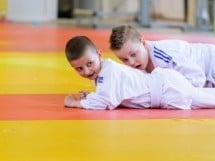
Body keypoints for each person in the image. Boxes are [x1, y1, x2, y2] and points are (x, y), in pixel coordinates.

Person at [64, 35, 215, 110]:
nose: (87, 71)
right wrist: (92, 96)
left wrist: (75, 103)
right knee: (202, 96)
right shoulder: (107, 70)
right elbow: (113, 94)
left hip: (169, 91)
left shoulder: (107, 74)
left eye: (89, 64)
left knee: (203, 98)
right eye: (79, 69)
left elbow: (104, 102)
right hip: (166, 83)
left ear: (99, 54)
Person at [109, 25, 215, 88]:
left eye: (133, 54)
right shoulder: (138, 64)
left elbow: (197, 77)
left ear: (142, 41)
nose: (131, 62)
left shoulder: (165, 53)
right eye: (124, 59)